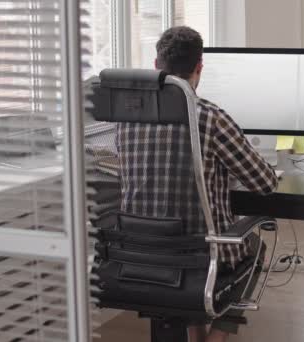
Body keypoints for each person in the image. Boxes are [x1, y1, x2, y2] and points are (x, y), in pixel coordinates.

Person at [116, 26, 278, 342]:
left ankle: (196, 335)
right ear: (199, 68)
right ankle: (215, 339)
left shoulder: (126, 118)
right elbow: (264, 183)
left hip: (139, 255)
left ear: (155, 66)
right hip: (201, 258)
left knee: (183, 250)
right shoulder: (210, 117)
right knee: (255, 249)